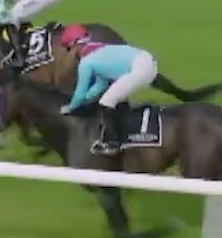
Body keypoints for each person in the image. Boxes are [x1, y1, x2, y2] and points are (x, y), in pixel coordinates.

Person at [58, 24, 158, 155]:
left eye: (68, 48)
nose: (69, 53)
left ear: (75, 45)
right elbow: (100, 85)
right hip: (146, 62)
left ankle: (112, 144)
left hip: (140, 68)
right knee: (115, 98)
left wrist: (70, 107)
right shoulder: (99, 49)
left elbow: (80, 93)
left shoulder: (86, 63)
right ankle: (126, 132)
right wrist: (84, 100)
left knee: (106, 102)